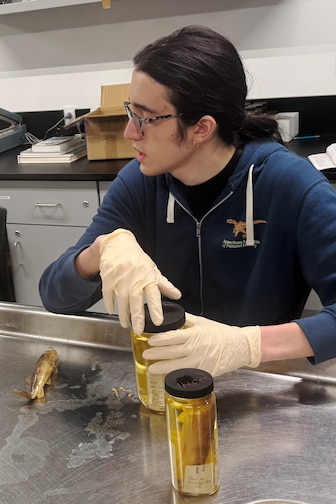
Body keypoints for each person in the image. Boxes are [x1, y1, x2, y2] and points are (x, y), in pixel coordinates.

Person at [39, 25, 336, 377]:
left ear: (201, 129)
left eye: (145, 118)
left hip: (258, 383)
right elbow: (54, 297)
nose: (129, 132)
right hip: (165, 376)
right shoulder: (140, 183)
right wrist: (99, 252)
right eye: (130, 112)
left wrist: (247, 345)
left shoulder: (290, 186)